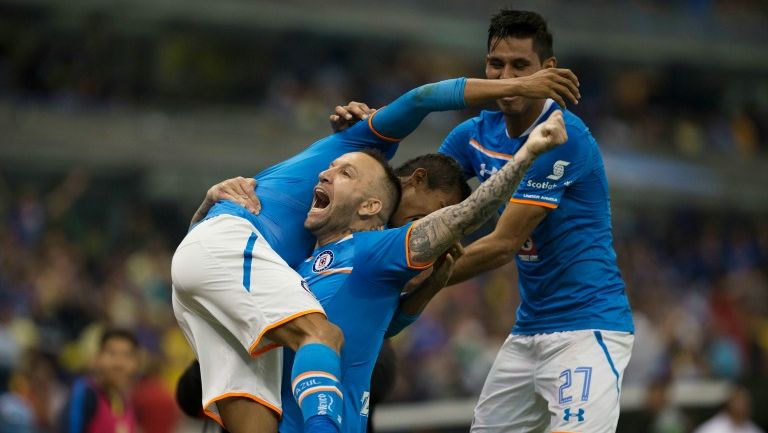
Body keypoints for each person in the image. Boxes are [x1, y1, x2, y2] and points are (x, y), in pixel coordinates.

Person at [175, 71, 578, 433]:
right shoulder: (359, 158)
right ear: (411, 182)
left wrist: (431, 286)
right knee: (319, 334)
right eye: (334, 169)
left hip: (210, 256)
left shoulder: (362, 251)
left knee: (252, 395)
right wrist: (520, 89)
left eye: (343, 171)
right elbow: (423, 99)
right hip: (219, 243)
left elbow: (390, 316)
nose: (327, 172)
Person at [331, 9, 633, 433]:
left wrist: (411, 277)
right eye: (496, 64)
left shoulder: (563, 137)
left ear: (546, 71)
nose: (506, 75)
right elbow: (415, 196)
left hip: (586, 329)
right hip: (528, 330)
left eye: (520, 66)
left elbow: (502, 245)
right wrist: (356, 140)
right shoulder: (474, 133)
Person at [59, 328, 140, 433]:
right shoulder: (85, 395)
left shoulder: (124, 403)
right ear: (97, 358)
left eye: (127, 355)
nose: (119, 363)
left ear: (136, 364)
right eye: (112, 353)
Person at [692, 386, 764, 433]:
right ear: (729, 403)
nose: (743, 405)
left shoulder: (754, 429)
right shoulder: (711, 429)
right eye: (739, 401)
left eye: (746, 402)